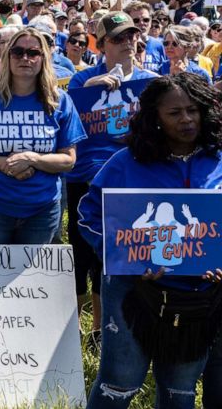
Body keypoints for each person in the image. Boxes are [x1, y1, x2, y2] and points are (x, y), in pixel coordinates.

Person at [78, 73, 222, 409]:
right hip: (132, 291)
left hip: (200, 297)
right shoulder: (126, 162)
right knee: (120, 382)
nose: (186, 119)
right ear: (155, 118)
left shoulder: (219, 159)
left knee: (180, 388)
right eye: (174, 113)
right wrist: (125, 257)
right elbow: (88, 214)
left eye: (192, 110)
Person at [67, 13, 159, 351]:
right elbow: (66, 125)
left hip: (130, 178)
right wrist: (87, 92)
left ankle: (100, 329)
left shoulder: (152, 82)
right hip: (86, 178)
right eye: (118, 38)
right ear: (102, 44)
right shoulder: (82, 80)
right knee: (80, 251)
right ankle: (73, 328)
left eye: (132, 36)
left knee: (113, 254)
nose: (128, 43)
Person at [0, 28, 85, 245]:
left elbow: (69, 159)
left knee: (34, 280)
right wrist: (8, 163)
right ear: (8, 56)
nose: (25, 58)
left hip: (42, 211)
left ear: (44, 58)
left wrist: (32, 159)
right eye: (17, 52)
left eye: (33, 53)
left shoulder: (59, 101)